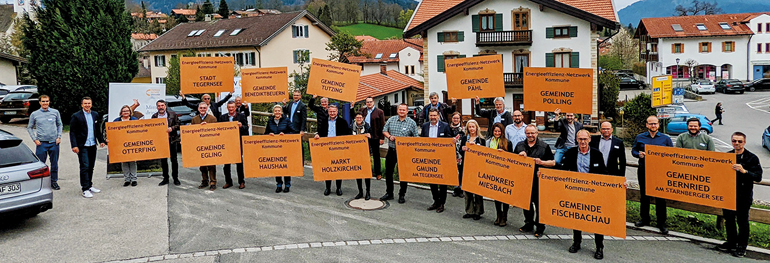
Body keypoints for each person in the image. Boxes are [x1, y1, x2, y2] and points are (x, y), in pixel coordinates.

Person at [560, 129, 609, 260]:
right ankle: (577, 242)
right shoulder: (570, 153)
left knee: (596, 220)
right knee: (577, 218)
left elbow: (604, 173)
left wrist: (619, 184)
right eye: (580, 139)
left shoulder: (597, 154)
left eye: (585, 139)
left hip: (593, 193)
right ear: (577, 140)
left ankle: (599, 247)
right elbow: (562, 171)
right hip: (576, 191)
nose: (582, 142)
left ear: (589, 140)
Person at [716, 132, 762, 257]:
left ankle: (742, 246)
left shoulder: (752, 158)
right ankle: (731, 243)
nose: (737, 143)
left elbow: (758, 177)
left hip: (743, 195)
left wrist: (744, 171)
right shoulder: (728, 156)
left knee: (742, 222)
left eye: (739, 141)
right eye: (734, 141)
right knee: (729, 220)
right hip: (729, 194)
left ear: (744, 142)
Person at [632, 116, 673, 234]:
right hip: (644, 169)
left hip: (660, 171)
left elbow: (672, 153)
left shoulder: (666, 139)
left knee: (660, 197)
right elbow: (633, 151)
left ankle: (661, 222)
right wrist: (638, 154)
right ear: (647, 125)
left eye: (655, 124)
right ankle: (644, 219)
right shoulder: (640, 137)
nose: (653, 126)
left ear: (658, 125)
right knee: (644, 196)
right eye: (651, 124)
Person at [516, 124, 556, 237]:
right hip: (525, 181)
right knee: (526, 204)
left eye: (532, 133)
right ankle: (528, 224)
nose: (530, 135)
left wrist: (541, 163)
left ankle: (540, 227)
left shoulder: (544, 146)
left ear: (537, 133)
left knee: (539, 206)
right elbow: (512, 161)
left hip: (539, 181)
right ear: (525, 134)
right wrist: (519, 157)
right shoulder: (520, 146)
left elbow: (552, 163)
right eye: (528, 133)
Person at [381, 103, 420, 204]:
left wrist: (407, 140)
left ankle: (402, 194)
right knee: (388, 173)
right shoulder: (391, 120)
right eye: (400, 110)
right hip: (392, 150)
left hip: (404, 152)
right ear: (397, 110)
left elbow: (416, 138)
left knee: (403, 174)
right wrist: (389, 137)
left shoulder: (411, 123)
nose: (401, 111)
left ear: (407, 111)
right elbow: (384, 130)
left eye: (403, 110)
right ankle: (389, 193)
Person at [70, 97, 106, 198]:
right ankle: (85, 188)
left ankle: (89, 185)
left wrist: (101, 141)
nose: (87, 105)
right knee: (84, 167)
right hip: (82, 145)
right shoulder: (76, 116)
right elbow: (72, 132)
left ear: (91, 104)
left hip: (92, 144)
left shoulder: (95, 115)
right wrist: (74, 145)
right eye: (85, 103)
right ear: (82, 105)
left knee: (91, 166)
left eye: (89, 103)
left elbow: (97, 129)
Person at [421, 108, 455, 213]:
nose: (433, 117)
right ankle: (436, 201)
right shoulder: (425, 126)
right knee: (432, 181)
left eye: (435, 115)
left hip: (442, 158)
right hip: (430, 158)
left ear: (438, 116)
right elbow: (422, 140)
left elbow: (449, 140)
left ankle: (442, 203)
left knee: (442, 182)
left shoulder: (445, 126)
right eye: (431, 115)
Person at [27, 95, 63, 190]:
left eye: (47, 101)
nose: (45, 103)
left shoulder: (55, 112)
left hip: (54, 143)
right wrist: (34, 139)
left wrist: (59, 137)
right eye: (43, 101)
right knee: (40, 164)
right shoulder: (35, 114)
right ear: (40, 102)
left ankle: (54, 181)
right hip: (41, 144)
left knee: (54, 163)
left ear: (49, 102)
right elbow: (29, 127)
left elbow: (60, 125)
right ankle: (40, 183)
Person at [313, 104, 351, 196]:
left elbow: (348, 134)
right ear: (328, 112)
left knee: (338, 169)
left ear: (337, 112)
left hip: (338, 148)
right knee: (328, 168)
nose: (332, 113)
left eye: (334, 111)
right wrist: (317, 135)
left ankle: (338, 188)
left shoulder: (343, 122)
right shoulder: (324, 121)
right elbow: (320, 131)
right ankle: (328, 188)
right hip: (327, 148)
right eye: (330, 111)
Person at [487, 123, 513, 226]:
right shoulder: (489, 141)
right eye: (495, 131)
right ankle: (498, 215)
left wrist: (504, 153)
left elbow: (512, 157)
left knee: (504, 196)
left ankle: (504, 217)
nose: (497, 133)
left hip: (504, 172)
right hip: (493, 171)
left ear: (502, 132)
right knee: (496, 196)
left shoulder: (508, 142)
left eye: (499, 131)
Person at [219, 101, 249, 189]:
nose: (231, 109)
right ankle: (228, 181)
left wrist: (241, 126)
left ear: (235, 108)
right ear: (227, 108)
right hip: (227, 143)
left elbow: (246, 128)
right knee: (226, 165)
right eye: (229, 107)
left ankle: (241, 181)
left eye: (232, 107)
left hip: (237, 143)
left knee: (239, 164)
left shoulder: (241, 116)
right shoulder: (223, 117)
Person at [459, 120, 485, 220]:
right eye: (469, 127)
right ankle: (469, 211)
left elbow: (484, 154)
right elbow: (460, 151)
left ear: (476, 127)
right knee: (467, 190)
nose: (471, 129)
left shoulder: (481, 140)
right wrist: (463, 149)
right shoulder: (465, 138)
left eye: (473, 127)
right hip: (466, 167)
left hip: (477, 167)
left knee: (477, 191)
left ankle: (478, 212)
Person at [152, 100, 181, 186]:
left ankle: (175, 178)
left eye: (162, 105)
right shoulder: (154, 116)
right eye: (159, 106)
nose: (160, 107)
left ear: (165, 106)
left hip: (172, 139)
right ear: (157, 107)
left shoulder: (172, 114)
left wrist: (172, 128)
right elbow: (152, 129)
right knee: (163, 161)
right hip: (161, 141)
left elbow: (178, 124)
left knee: (174, 160)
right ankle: (165, 178)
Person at [265, 104, 293, 193]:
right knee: (277, 165)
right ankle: (279, 184)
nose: (277, 112)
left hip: (285, 146)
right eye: (275, 111)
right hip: (274, 147)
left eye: (279, 111)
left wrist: (285, 135)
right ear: (273, 112)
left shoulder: (286, 120)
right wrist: (269, 135)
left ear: (281, 112)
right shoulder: (270, 121)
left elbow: (293, 132)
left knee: (285, 166)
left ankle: (287, 184)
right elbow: (265, 133)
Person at [191, 102, 218, 191]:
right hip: (200, 144)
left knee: (211, 165)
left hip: (210, 144)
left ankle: (213, 182)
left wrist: (207, 126)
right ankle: (204, 181)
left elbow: (216, 131)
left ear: (207, 109)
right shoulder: (194, 119)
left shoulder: (212, 118)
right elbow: (191, 132)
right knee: (202, 165)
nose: (202, 109)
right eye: (201, 108)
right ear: (198, 109)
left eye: (204, 108)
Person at [111, 105, 139, 187]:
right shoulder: (116, 121)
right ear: (121, 113)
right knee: (124, 162)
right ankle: (127, 179)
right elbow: (112, 132)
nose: (126, 112)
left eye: (127, 111)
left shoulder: (134, 120)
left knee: (133, 162)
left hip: (132, 144)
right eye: (124, 111)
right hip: (121, 144)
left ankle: (134, 179)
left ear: (130, 112)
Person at [359, 96, 385, 180]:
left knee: (376, 155)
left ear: (373, 102)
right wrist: (352, 107)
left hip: (375, 136)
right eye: (367, 102)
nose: (369, 103)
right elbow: (355, 117)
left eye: (370, 102)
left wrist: (382, 137)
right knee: (365, 154)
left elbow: (382, 125)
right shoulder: (362, 110)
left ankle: (378, 173)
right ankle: (366, 171)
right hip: (364, 136)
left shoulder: (379, 112)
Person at [350, 112, 373, 200]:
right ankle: (360, 191)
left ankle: (368, 192)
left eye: (360, 118)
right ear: (355, 118)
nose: (359, 119)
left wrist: (370, 136)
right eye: (357, 118)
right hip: (355, 152)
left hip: (366, 152)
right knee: (358, 172)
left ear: (363, 118)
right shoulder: (351, 127)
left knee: (366, 172)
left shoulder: (367, 127)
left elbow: (373, 138)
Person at [449, 112, 465, 197]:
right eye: (454, 118)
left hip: (461, 153)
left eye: (457, 118)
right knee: (454, 171)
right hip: (451, 153)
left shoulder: (463, 129)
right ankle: (455, 188)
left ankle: (461, 188)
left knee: (461, 171)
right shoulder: (448, 128)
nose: (456, 120)